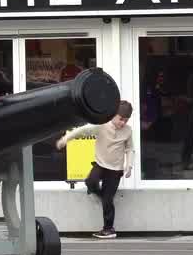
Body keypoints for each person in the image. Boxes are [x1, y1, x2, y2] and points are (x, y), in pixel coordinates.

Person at [57, 100, 135, 239]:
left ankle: (109, 229)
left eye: (126, 120)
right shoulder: (101, 126)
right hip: (100, 164)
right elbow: (82, 130)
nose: (123, 123)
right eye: (121, 119)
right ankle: (101, 194)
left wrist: (129, 166)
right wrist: (66, 139)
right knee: (90, 182)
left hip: (115, 170)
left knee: (108, 200)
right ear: (113, 115)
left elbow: (130, 149)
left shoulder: (128, 131)